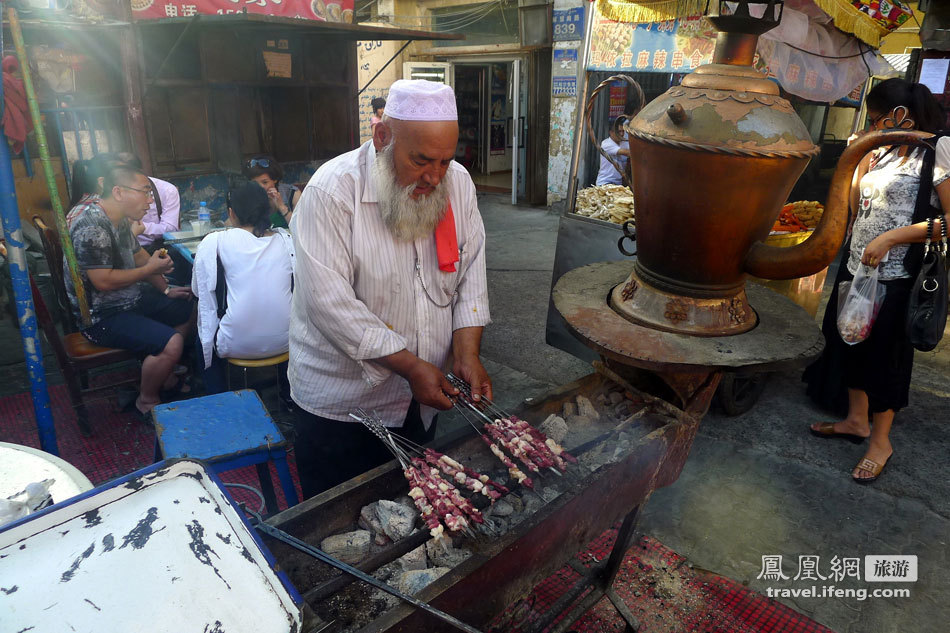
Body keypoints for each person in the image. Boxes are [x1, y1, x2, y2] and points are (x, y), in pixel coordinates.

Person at [289, 79, 492, 499]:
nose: (434, 176)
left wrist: (467, 352)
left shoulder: (457, 183)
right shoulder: (332, 191)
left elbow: (471, 274)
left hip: (421, 400)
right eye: (421, 160)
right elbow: (330, 304)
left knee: (412, 514)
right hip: (343, 406)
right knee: (340, 526)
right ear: (382, 137)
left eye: (446, 161)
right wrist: (412, 367)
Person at [806, 78, 950, 483]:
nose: (873, 125)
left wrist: (892, 237)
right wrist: (859, 157)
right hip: (857, 267)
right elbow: (856, 206)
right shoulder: (882, 151)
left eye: (877, 118)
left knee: (885, 359)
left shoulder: (938, 150)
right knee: (849, 341)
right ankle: (856, 421)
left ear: (900, 114)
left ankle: (881, 442)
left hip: (899, 274)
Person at [66, 163, 195, 418]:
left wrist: (166, 288)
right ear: (118, 192)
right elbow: (102, 281)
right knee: (173, 342)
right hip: (101, 315)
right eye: (144, 192)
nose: (150, 200)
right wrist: (150, 270)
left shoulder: (119, 219)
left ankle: (164, 376)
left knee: (187, 306)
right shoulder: (92, 226)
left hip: (128, 299)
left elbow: (137, 256)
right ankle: (147, 400)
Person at [191, 183, 295, 399]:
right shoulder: (286, 239)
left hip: (234, 344)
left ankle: (220, 399)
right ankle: (288, 395)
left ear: (231, 213)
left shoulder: (215, 241)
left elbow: (198, 291)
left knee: (201, 338)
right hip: (288, 341)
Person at [116, 152, 181, 252]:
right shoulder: (110, 194)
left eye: (147, 193)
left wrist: (141, 227)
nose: (150, 201)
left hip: (156, 246)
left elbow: (170, 229)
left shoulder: (167, 190)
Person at [244, 155, 301, 229]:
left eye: (265, 182)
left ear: (275, 179)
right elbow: (231, 224)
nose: (260, 187)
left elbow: (300, 228)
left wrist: (281, 206)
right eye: (255, 183)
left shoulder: (293, 194)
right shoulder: (247, 195)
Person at [595, 116, 630, 186]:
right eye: (619, 131)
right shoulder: (606, 144)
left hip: (618, 184)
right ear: (611, 132)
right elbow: (628, 153)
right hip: (605, 183)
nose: (621, 134)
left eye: (623, 131)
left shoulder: (625, 144)